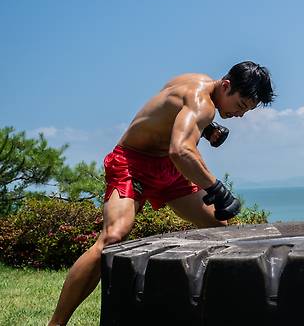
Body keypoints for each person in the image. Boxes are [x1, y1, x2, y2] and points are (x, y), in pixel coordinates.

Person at [49, 61, 274, 326]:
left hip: (168, 168)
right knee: (112, 237)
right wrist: (217, 189)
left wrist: (207, 129)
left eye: (246, 111)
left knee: (218, 227)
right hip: (133, 163)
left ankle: (213, 311)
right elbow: (180, 151)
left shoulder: (195, 80)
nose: (240, 115)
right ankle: (56, 324)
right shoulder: (203, 105)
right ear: (226, 86)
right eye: (240, 106)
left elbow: (168, 105)